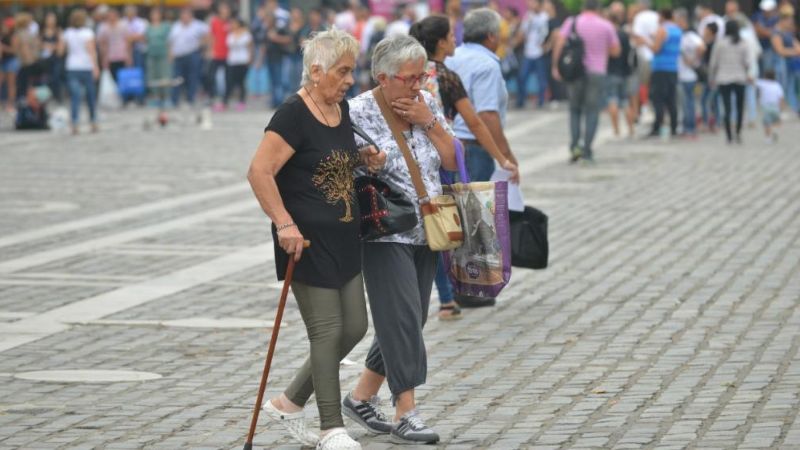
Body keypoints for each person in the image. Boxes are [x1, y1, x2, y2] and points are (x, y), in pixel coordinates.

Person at [247, 28, 385, 450]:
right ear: (316, 70)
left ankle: (289, 402)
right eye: (343, 72)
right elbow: (260, 172)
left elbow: (331, 158)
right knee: (326, 331)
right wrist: (284, 224)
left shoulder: (338, 110)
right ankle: (331, 427)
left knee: (355, 327)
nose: (349, 80)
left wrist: (365, 158)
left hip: (344, 236)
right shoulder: (292, 114)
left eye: (352, 71)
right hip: (304, 242)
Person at [345, 34, 457, 445]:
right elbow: (336, 168)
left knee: (410, 318)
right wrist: (363, 160)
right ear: (383, 77)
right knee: (403, 318)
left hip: (428, 226)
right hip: (383, 230)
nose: (416, 84)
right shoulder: (356, 111)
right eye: (409, 78)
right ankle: (406, 412)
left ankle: (360, 397)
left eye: (421, 75)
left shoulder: (427, 102)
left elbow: (450, 158)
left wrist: (427, 120)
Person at [409, 14, 520, 319]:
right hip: (443, 157)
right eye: (451, 36)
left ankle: (443, 299)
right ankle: (454, 295)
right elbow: (475, 121)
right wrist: (502, 157)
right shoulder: (445, 77)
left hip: (411, 158)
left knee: (429, 224)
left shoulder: (410, 74)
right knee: (449, 228)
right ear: (442, 42)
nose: (456, 41)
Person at [552, 0, 620, 163]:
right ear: (598, 8)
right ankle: (587, 150)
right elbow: (616, 51)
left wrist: (555, 66)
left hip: (576, 72)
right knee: (592, 111)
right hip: (597, 72)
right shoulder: (606, 25)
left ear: (583, 7)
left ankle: (575, 147)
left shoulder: (572, 22)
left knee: (575, 109)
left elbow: (560, 42)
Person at [636, 9, 681, 139]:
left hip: (660, 67)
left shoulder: (662, 29)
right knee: (671, 99)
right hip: (673, 67)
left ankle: (658, 126)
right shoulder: (677, 30)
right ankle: (673, 126)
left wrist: (645, 42)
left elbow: (656, 49)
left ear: (662, 17)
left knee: (658, 98)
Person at [710, 20, 751, 144]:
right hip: (740, 78)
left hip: (723, 78)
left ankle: (728, 135)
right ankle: (738, 133)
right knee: (739, 108)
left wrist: (712, 77)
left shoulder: (720, 43)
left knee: (726, 108)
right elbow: (748, 62)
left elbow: (713, 63)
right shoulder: (743, 43)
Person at [63, 8, 99, 134]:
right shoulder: (88, 33)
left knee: (75, 97)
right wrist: (95, 66)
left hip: (72, 66)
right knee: (90, 96)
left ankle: (75, 123)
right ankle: (93, 121)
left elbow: (61, 51)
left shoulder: (67, 33)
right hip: (86, 66)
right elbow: (91, 51)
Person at [606, 2, 636, 138]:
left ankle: (616, 129)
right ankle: (630, 129)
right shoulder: (624, 35)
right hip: (624, 72)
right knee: (625, 102)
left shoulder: (609, 35)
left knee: (612, 100)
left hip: (611, 71)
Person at [168, 7, 208, 108]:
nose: (184, 17)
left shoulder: (198, 25)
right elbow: (171, 41)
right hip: (179, 56)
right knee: (177, 78)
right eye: (182, 15)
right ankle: (174, 100)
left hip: (192, 54)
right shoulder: (176, 26)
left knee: (192, 78)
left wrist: (204, 48)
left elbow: (208, 36)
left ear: (191, 16)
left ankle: (190, 99)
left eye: (186, 15)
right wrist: (170, 53)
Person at [675, 8, 704, 138]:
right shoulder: (681, 35)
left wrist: (692, 60)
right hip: (681, 74)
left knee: (689, 103)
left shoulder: (690, 36)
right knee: (686, 103)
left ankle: (690, 127)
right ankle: (687, 127)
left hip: (689, 75)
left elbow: (702, 47)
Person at [515, 0, 550, 108]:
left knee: (541, 79)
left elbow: (549, 32)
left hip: (539, 53)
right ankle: (521, 100)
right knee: (522, 77)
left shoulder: (545, 17)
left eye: (533, 3)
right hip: (528, 52)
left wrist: (546, 45)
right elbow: (522, 33)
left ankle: (541, 101)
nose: (530, 5)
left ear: (538, 4)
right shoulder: (527, 16)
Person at [771, 12, 800, 115]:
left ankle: (794, 109)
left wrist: (796, 50)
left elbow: (797, 44)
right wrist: (794, 51)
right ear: (783, 20)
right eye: (789, 21)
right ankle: (780, 110)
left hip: (792, 64)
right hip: (781, 64)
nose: (791, 24)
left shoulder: (788, 32)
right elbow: (780, 50)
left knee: (792, 87)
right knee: (782, 88)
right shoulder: (776, 32)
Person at [145, 8, 171, 110]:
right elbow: (146, 40)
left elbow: (169, 41)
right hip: (152, 54)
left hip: (163, 54)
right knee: (153, 76)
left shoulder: (165, 26)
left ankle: (166, 98)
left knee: (164, 75)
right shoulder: (148, 27)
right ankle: (155, 97)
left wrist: (170, 54)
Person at [12, 12, 41, 101]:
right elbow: (25, 49)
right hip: (28, 63)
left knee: (22, 85)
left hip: (23, 63)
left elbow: (17, 49)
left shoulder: (18, 34)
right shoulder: (25, 34)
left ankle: (23, 101)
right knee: (27, 84)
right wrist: (32, 60)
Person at [224, 16, 251, 110]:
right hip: (232, 61)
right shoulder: (230, 34)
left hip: (242, 61)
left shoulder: (246, 34)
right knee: (229, 81)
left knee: (241, 82)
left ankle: (242, 101)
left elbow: (250, 48)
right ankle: (225, 101)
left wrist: (250, 59)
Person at [207, 1, 230, 111]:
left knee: (227, 78)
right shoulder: (214, 21)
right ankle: (212, 96)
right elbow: (212, 36)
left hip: (228, 54)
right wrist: (210, 49)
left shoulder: (231, 22)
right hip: (216, 53)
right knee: (211, 76)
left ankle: (225, 100)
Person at [97, 8, 130, 84]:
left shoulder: (123, 25)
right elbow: (102, 44)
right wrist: (104, 58)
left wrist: (129, 56)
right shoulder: (103, 27)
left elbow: (128, 41)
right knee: (113, 76)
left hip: (122, 55)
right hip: (110, 57)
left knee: (123, 76)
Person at [699, 21, 720, 132]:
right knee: (712, 100)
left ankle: (709, 122)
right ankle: (714, 122)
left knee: (707, 100)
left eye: (706, 29)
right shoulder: (707, 42)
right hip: (708, 75)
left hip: (712, 75)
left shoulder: (713, 44)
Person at [40, 11, 64, 104]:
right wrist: (45, 46)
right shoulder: (42, 31)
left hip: (55, 58)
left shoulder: (58, 31)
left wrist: (51, 47)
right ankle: (45, 98)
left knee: (56, 78)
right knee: (45, 78)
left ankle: (57, 97)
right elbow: (38, 44)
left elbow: (61, 46)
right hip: (44, 59)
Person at [756, 69, 784, 142]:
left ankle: (768, 138)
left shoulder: (763, 83)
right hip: (775, 106)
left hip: (766, 107)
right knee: (777, 120)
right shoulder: (777, 85)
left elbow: (754, 82)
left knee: (767, 123)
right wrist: (781, 107)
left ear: (765, 77)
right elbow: (781, 97)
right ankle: (775, 130)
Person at [1, 17, 19, 111]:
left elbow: (14, 50)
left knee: (11, 84)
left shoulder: (13, 36)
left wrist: (3, 47)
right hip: (3, 61)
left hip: (11, 61)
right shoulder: (3, 36)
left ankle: (10, 104)